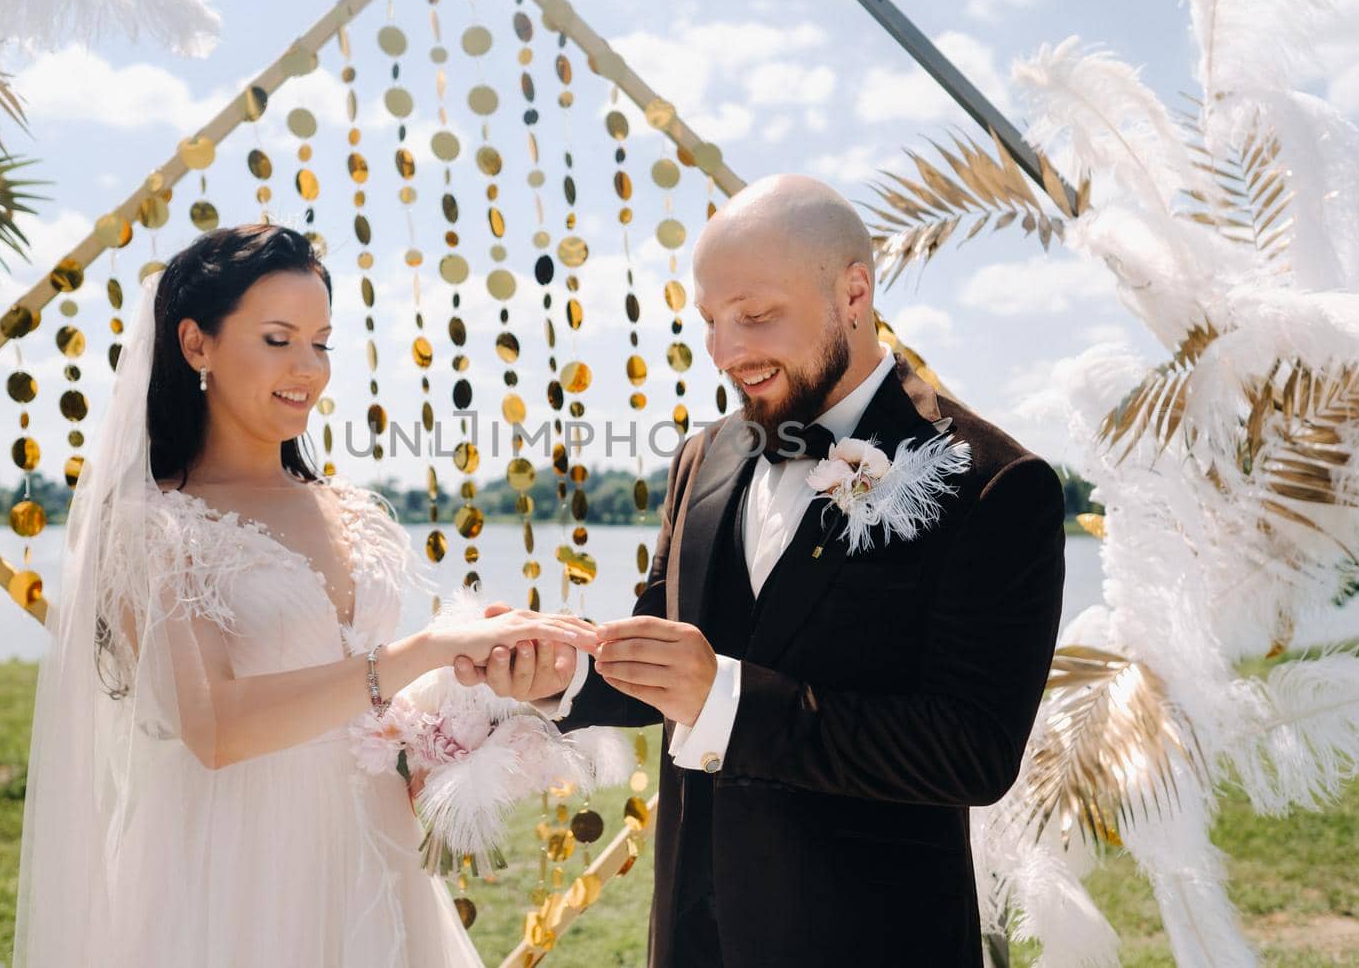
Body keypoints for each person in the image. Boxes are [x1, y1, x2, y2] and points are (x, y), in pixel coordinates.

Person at [457, 175, 1067, 967]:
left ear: (855, 292)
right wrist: (559, 674)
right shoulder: (702, 458)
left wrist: (727, 700)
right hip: (692, 938)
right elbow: (666, 652)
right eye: (711, 320)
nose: (725, 351)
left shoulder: (992, 482)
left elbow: (972, 751)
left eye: (756, 315)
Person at [13, 224, 594, 967]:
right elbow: (215, 727)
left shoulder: (350, 508)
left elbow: (370, 693)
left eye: (320, 342)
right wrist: (424, 651)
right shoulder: (153, 525)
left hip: (378, 863)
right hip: (236, 871)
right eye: (278, 338)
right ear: (197, 345)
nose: (307, 369)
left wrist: (467, 692)